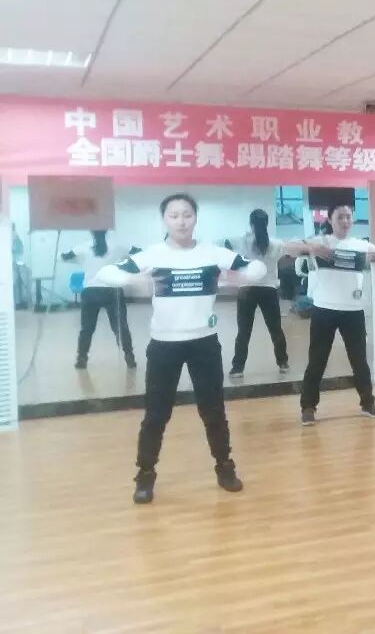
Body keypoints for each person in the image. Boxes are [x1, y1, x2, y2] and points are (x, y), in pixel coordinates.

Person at [96, 194, 266, 505]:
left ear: (195, 218)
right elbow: (106, 273)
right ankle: (145, 475)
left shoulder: (212, 252)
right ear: (165, 220)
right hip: (164, 345)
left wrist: (233, 276)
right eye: (174, 215)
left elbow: (257, 268)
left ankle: (224, 467)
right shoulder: (153, 254)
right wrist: (137, 281)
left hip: (205, 343)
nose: (181, 221)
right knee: (156, 415)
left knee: (213, 411)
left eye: (187, 214)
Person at [290, 204, 375, 425]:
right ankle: (308, 407)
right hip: (324, 310)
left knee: (359, 361)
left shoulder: (361, 244)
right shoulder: (319, 241)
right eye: (340, 217)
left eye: (348, 217)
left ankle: (367, 403)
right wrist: (312, 248)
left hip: (353, 311)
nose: (345, 221)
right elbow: (288, 248)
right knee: (317, 360)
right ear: (330, 219)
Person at [230, 209, 292, 378]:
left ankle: (237, 368)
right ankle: (283, 363)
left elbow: (230, 251)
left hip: (246, 290)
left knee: (244, 331)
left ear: (251, 224)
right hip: (269, 289)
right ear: (267, 223)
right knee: (275, 329)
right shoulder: (277, 243)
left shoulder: (243, 241)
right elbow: (287, 256)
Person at [62, 230, 137, 369]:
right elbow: (137, 251)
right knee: (120, 327)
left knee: (87, 328)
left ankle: (81, 358)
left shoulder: (83, 247)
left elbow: (64, 257)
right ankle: (129, 357)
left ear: (92, 232)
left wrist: (80, 261)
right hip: (112, 290)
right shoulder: (117, 245)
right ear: (106, 231)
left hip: (90, 291)